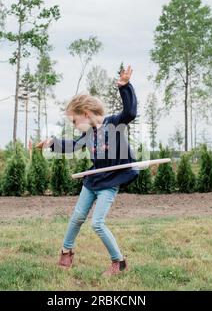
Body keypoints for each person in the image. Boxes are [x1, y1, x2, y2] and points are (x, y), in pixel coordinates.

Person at [36, 65, 139, 276]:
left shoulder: (113, 123)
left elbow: (130, 112)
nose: (74, 126)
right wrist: (51, 143)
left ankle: (119, 262)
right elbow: (72, 145)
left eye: (74, 121)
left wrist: (125, 87)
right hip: (92, 181)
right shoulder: (88, 133)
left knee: (98, 224)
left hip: (109, 184)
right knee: (77, 217)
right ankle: (66, 250)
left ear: (85, 114)